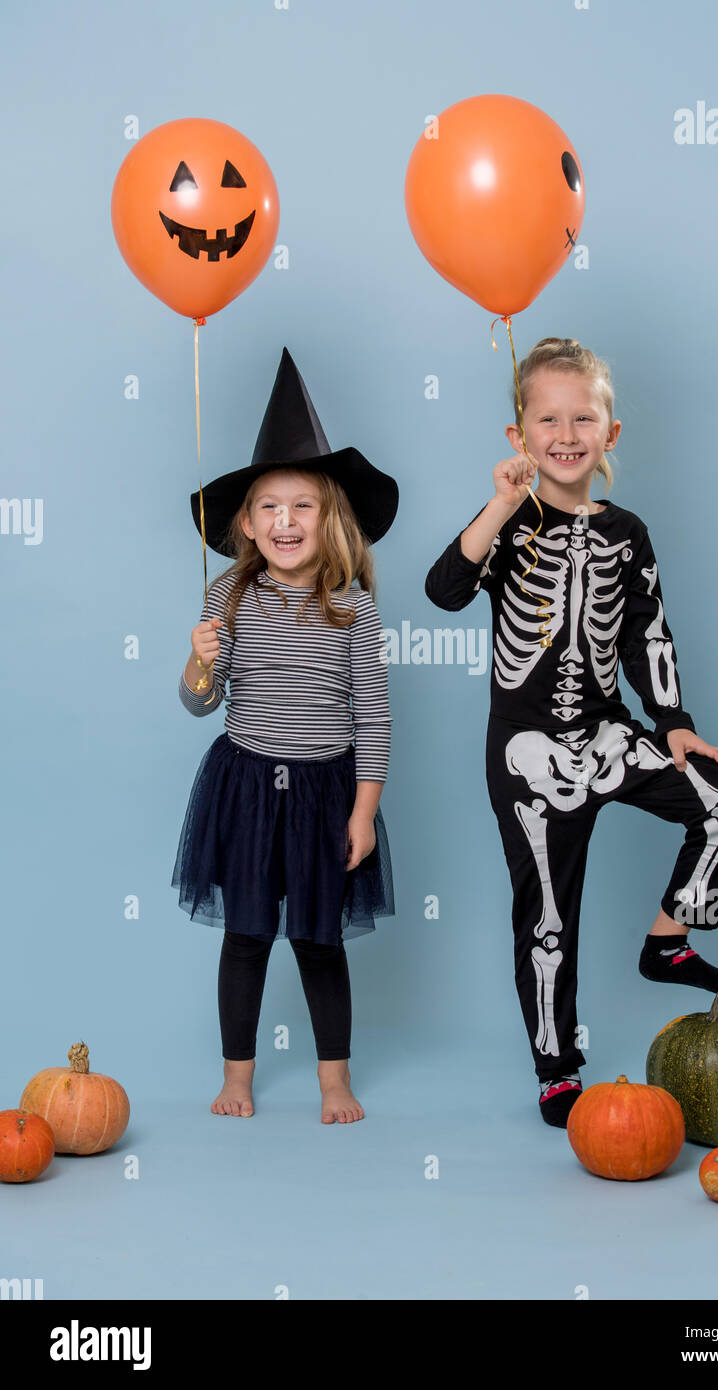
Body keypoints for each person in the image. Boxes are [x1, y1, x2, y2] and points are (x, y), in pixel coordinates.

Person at [424, 337, 718, 1128]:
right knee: (547, 916)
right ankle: (555, 1067)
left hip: (610, 732)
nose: (566, 434)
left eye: (584, 418)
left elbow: (649, 634)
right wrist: (501, 505)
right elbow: (443, 590)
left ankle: (667, 942)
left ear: (610, 435)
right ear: (520, 437)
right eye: (548, 419)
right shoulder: (510, 523)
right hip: (526, 752)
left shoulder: (627, 531)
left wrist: (675, 726)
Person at [172, 347, 398, 1125]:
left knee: (318, 940)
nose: (285, 522)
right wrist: (198, 663)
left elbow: (373, 715)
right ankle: (238, 1076)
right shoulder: (229, 593)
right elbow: (200, 703)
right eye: (269, 508)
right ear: (245, 522)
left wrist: (363, 812)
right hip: (243, 784)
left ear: (329, 518)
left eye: (302, 506)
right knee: (245, 935)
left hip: (323, 793)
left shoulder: (352, 608)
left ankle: (334, 1081)